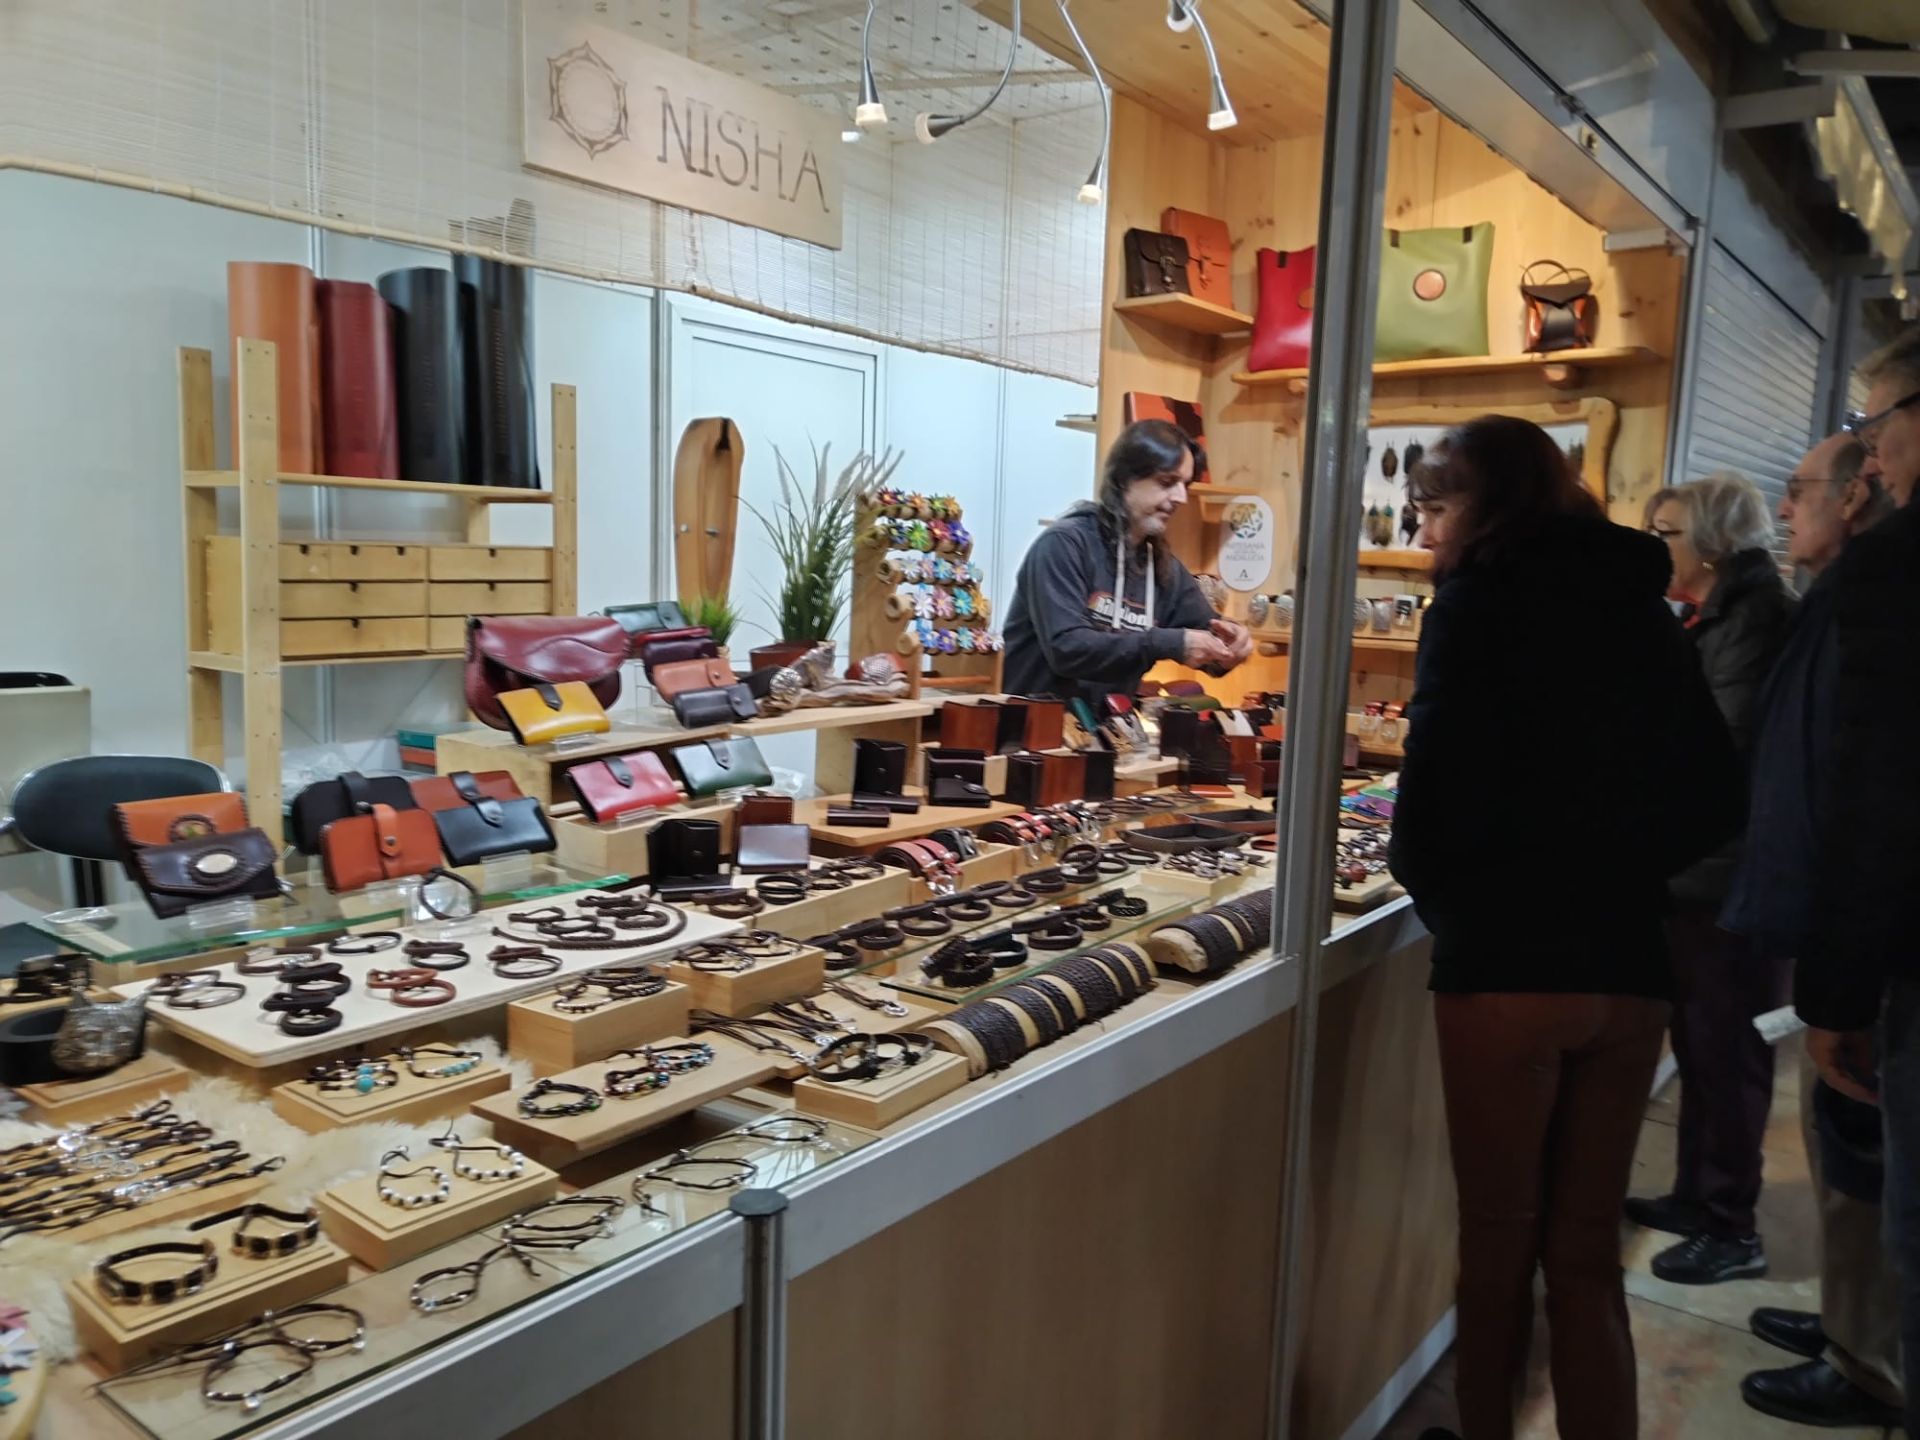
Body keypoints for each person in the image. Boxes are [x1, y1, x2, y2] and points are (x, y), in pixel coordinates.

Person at [1389, 417, 1740, 1440]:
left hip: (1505, 972)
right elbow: (1718, 795)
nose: (1425, 537)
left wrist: (1469, 909)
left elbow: (1427, 821)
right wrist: (1620, 869)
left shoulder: (1476, 608)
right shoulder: (1641, 607)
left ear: (1485, 505)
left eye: (1437, 509)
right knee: (1586, 1257)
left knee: (1498, 1246)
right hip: (1628, 968)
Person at [1722, 434, 1902, 1427]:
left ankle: (1868, 1360)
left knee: (1858, 1146)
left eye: (1797, 493)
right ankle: (1845, 1322)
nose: (1783, 511)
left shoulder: (1868, 609)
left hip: (1851, 938)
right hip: (1815, 924)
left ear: (1858, 497)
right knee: (1837, 1149)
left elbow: (1863, 801)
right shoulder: (1828, 604)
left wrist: (1844, 966)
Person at [1626, 473, 1796, 1285]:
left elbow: (1716, 754)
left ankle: (1732, 1227)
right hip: (1708, 874)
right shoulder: (1725, 613)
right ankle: (1699, 1197)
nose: (1653, 545)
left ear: (1712, 542)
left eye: (1664, 531)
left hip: (1729, 883)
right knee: (1700, 1047)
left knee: (1726, 1057)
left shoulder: (1754, 620)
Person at [1800, 326, 1920, 1440]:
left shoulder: (1892, 570)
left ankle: (1869, 1355)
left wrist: (1833, 993)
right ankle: (1859, 1337)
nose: (1873, 460)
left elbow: (1874, 791)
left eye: (1877, 428)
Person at [1001, 419, 1252, 703]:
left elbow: (1206, 639)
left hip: (1108, 738)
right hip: (1033, 737)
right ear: (1124, 480)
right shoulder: (1063, 545)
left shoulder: (1161, 566)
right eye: (1167, 482)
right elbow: (1067, 649)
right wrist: (1169, 643)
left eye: (1186, 484)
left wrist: (1230, 647)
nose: (1182, 497)